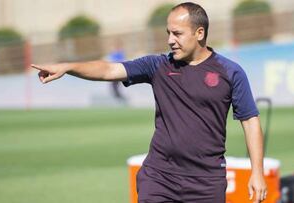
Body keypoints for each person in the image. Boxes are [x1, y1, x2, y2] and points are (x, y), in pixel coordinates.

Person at [32, 2, 267, 203]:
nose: (170, 40)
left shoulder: (230, 72)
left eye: (177, 33)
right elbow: (108, 69)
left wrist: (257, 173)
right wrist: (67, 67)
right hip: (159, 177)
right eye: (168, 33)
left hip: (206, 182)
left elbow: (250, 121)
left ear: (199, 33)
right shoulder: (158, 66)